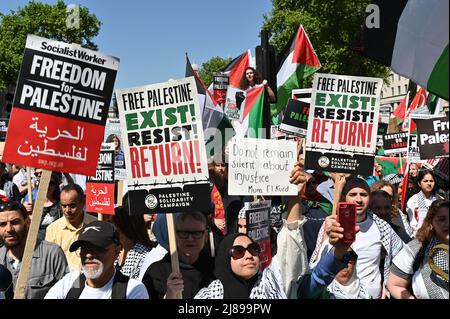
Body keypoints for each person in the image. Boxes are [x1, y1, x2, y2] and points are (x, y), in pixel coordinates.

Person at [311, 177, 404, 299]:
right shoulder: (332, 224)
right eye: (353, 194)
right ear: (345, 198)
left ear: (369, 198)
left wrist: (386, 284)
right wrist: (326, 235)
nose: (359, 199)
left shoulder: (382, 227)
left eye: (363, 194)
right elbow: (318, 262)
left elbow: (402, 256)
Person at [45, 221, 149, 299]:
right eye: (84, 249)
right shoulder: (71, 282)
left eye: (98, 248)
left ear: (117, 251)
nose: (89, 255)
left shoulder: (132, 290)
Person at [0, 199, 68, 298]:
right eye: (3, 224)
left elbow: (67, 293)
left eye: (15, 222)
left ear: (27, 222)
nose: (9, 229)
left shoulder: (52, 254)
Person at [142, 212, 214, 299]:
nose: (190, 239)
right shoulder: (156, 272)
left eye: (196, 233)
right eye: (184, 233)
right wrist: (169, 296)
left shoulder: (216, 269)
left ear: (205, 236)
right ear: (175, 236)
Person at [387, 199, 448, 299]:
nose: (447, 224)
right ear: (431, 223)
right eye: (442, 219)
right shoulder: (416, 248)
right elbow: (394, 284)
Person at [45, 184, 97, 271]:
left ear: (83, 202)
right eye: (64, 206)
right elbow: (49, 260)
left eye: (72, 206)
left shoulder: (95, 225)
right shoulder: (52, 229)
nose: (67, 210)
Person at [113, 204, 153, 279]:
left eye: (115, 225)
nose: (113, 230)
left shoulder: (144, 254)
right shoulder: (115, 249)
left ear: (125, 228)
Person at [406, 170, 440, 235]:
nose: (429, 183)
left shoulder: (437, 199)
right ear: (419, 183)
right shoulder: (413, 201)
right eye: (425, 181)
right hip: (420, 236)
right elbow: (413, 225)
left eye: (431, 181)